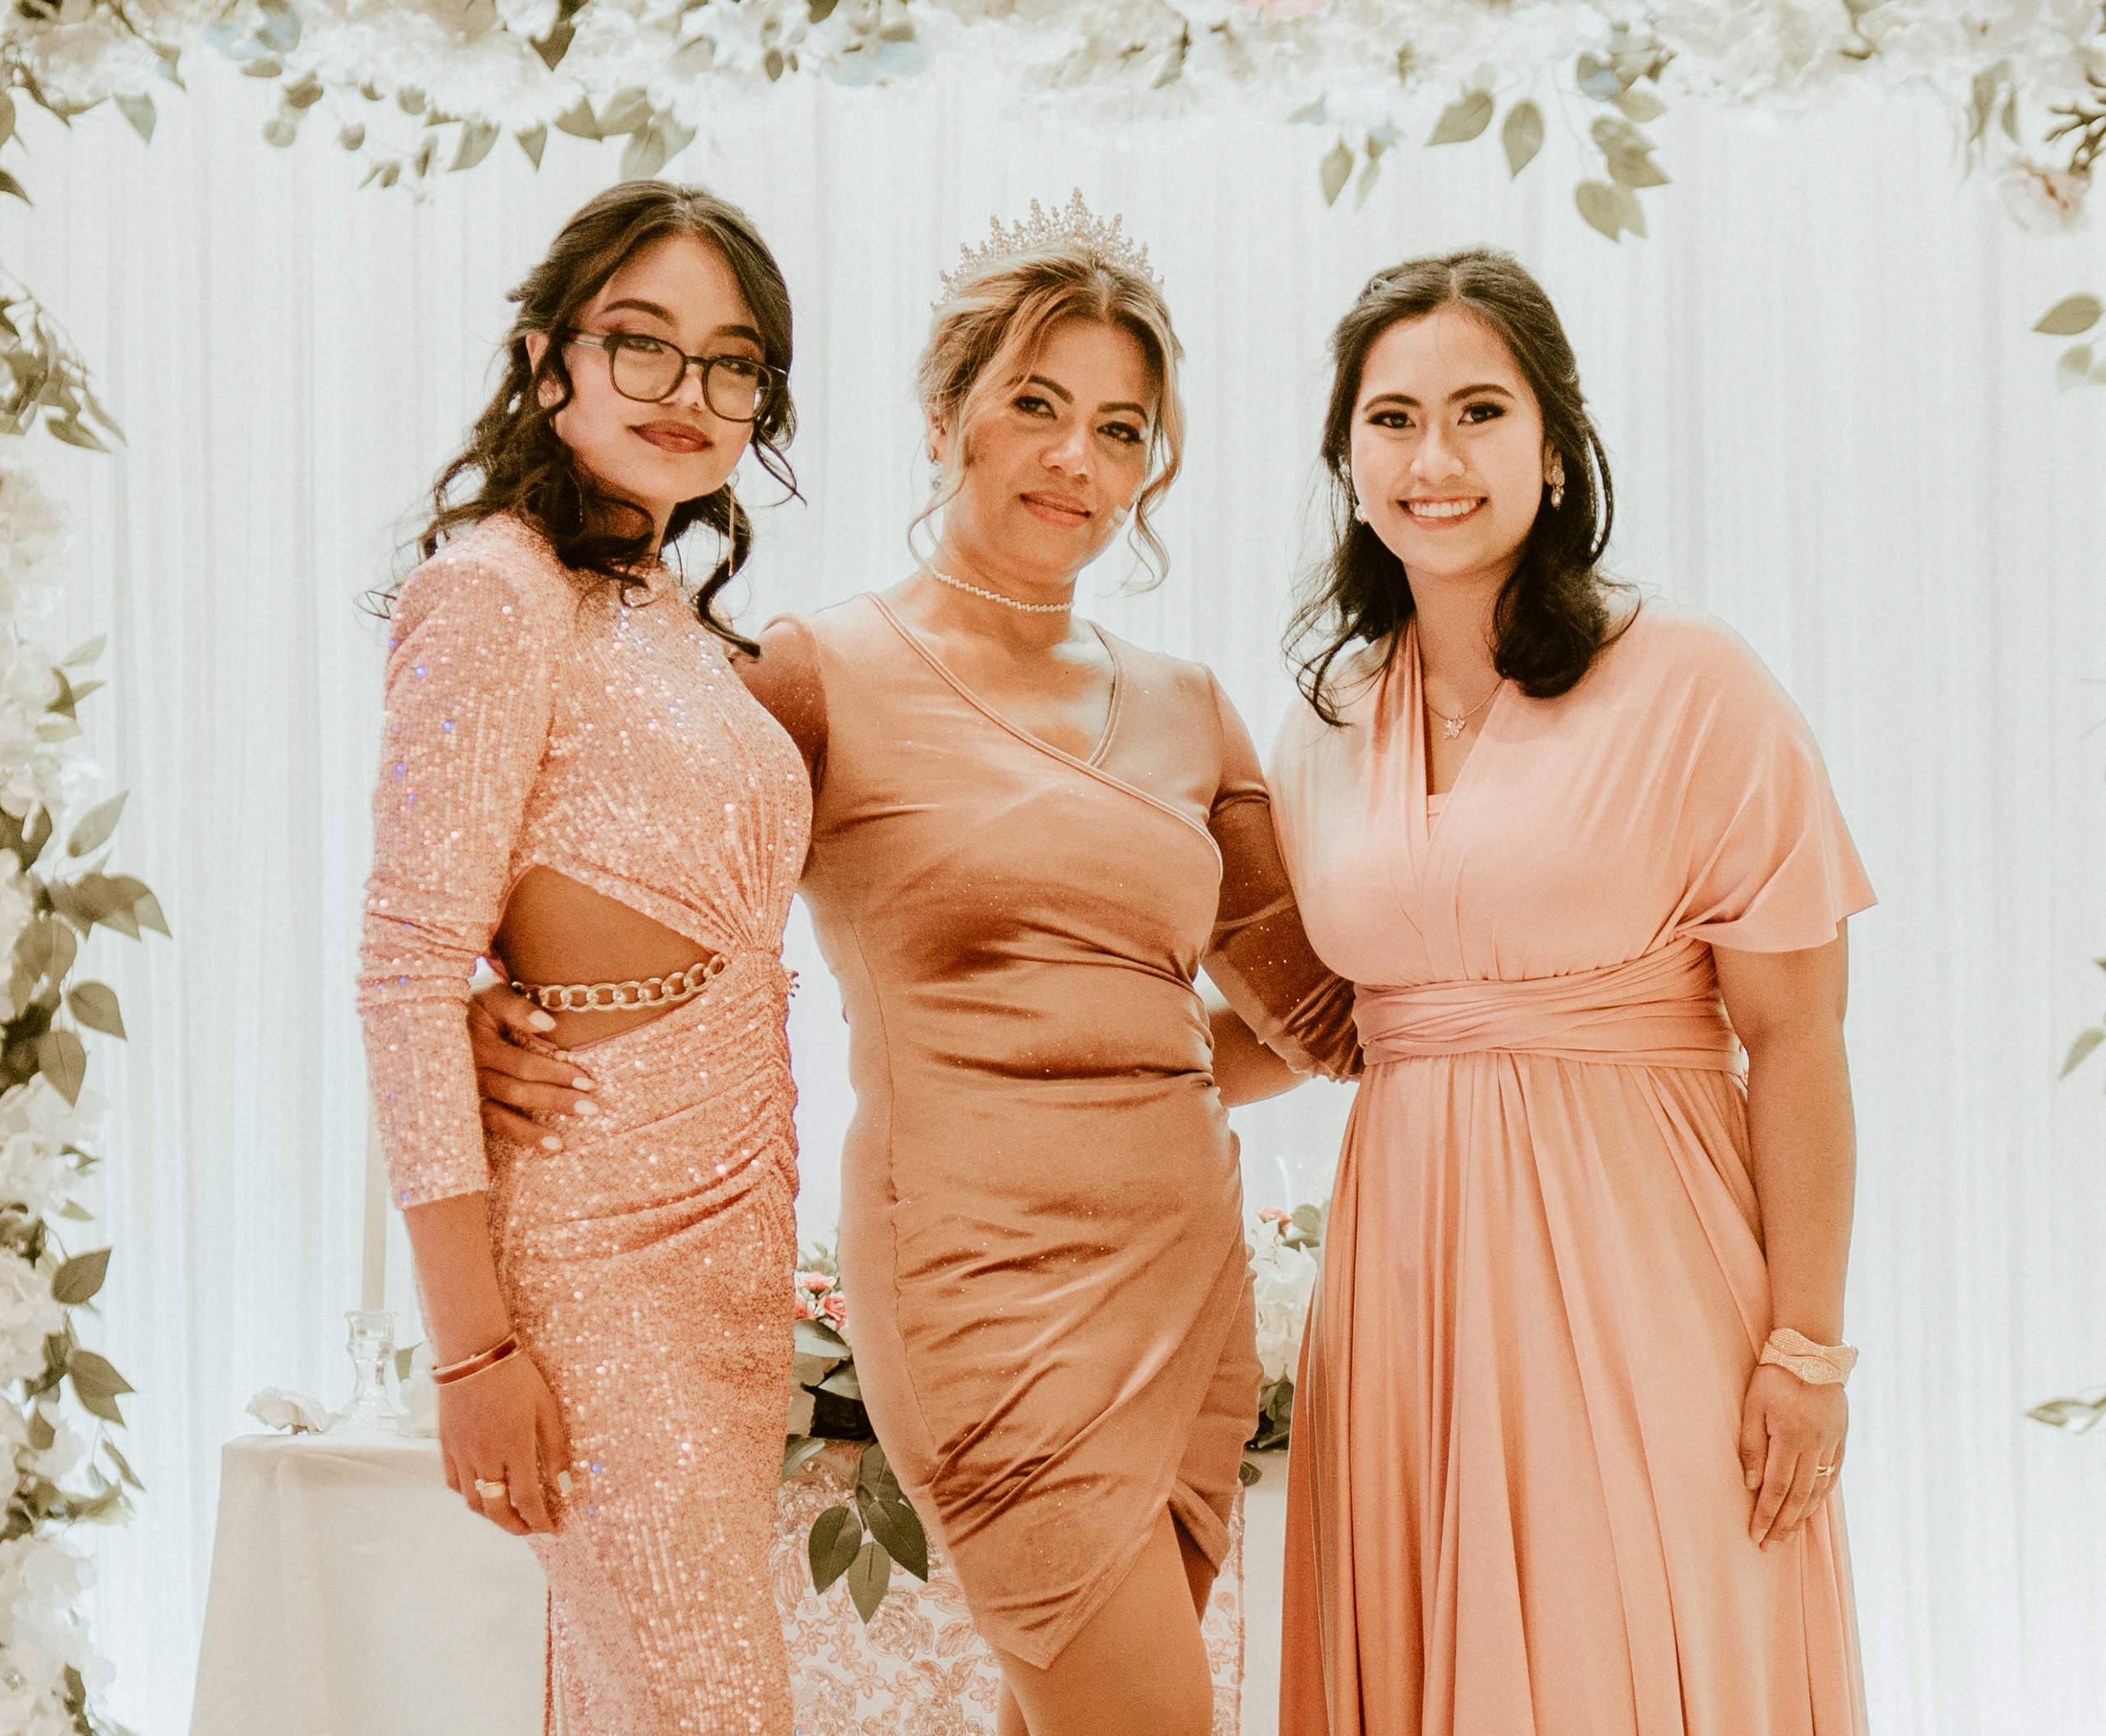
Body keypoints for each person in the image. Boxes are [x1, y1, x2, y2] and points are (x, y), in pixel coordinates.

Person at [473, 197, 1358, 1736]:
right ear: (945, 417)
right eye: (1035, 405)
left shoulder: (1191, 705)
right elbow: (617, 853)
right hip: (975, 1287)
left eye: (1121, 430)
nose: (1074, 458)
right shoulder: (815, 674)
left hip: (1184, 1275)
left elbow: (1319, 1014)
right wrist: (502, 993)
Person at [1270, 249, 1876, 1733]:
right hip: (1405, 1278)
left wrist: (1807, 1348)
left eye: (1480, 412)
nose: (1435, 459)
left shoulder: (1692, 682)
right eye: (1393, 419)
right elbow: (1318, 1025)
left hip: (1640, 1261)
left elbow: (1797, 1034)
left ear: (1554, 450)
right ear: (1349, 462)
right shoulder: (1324, 722)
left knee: (1644, 1643)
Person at [356, 179, 811, 1733]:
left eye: (732, 363)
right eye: (642, 342)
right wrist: (469, 1349)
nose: (689, 391)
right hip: (595, 1261)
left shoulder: (660, 606)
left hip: (733, 1241)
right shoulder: (493, 591)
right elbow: (408, 970)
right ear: (550, 360)